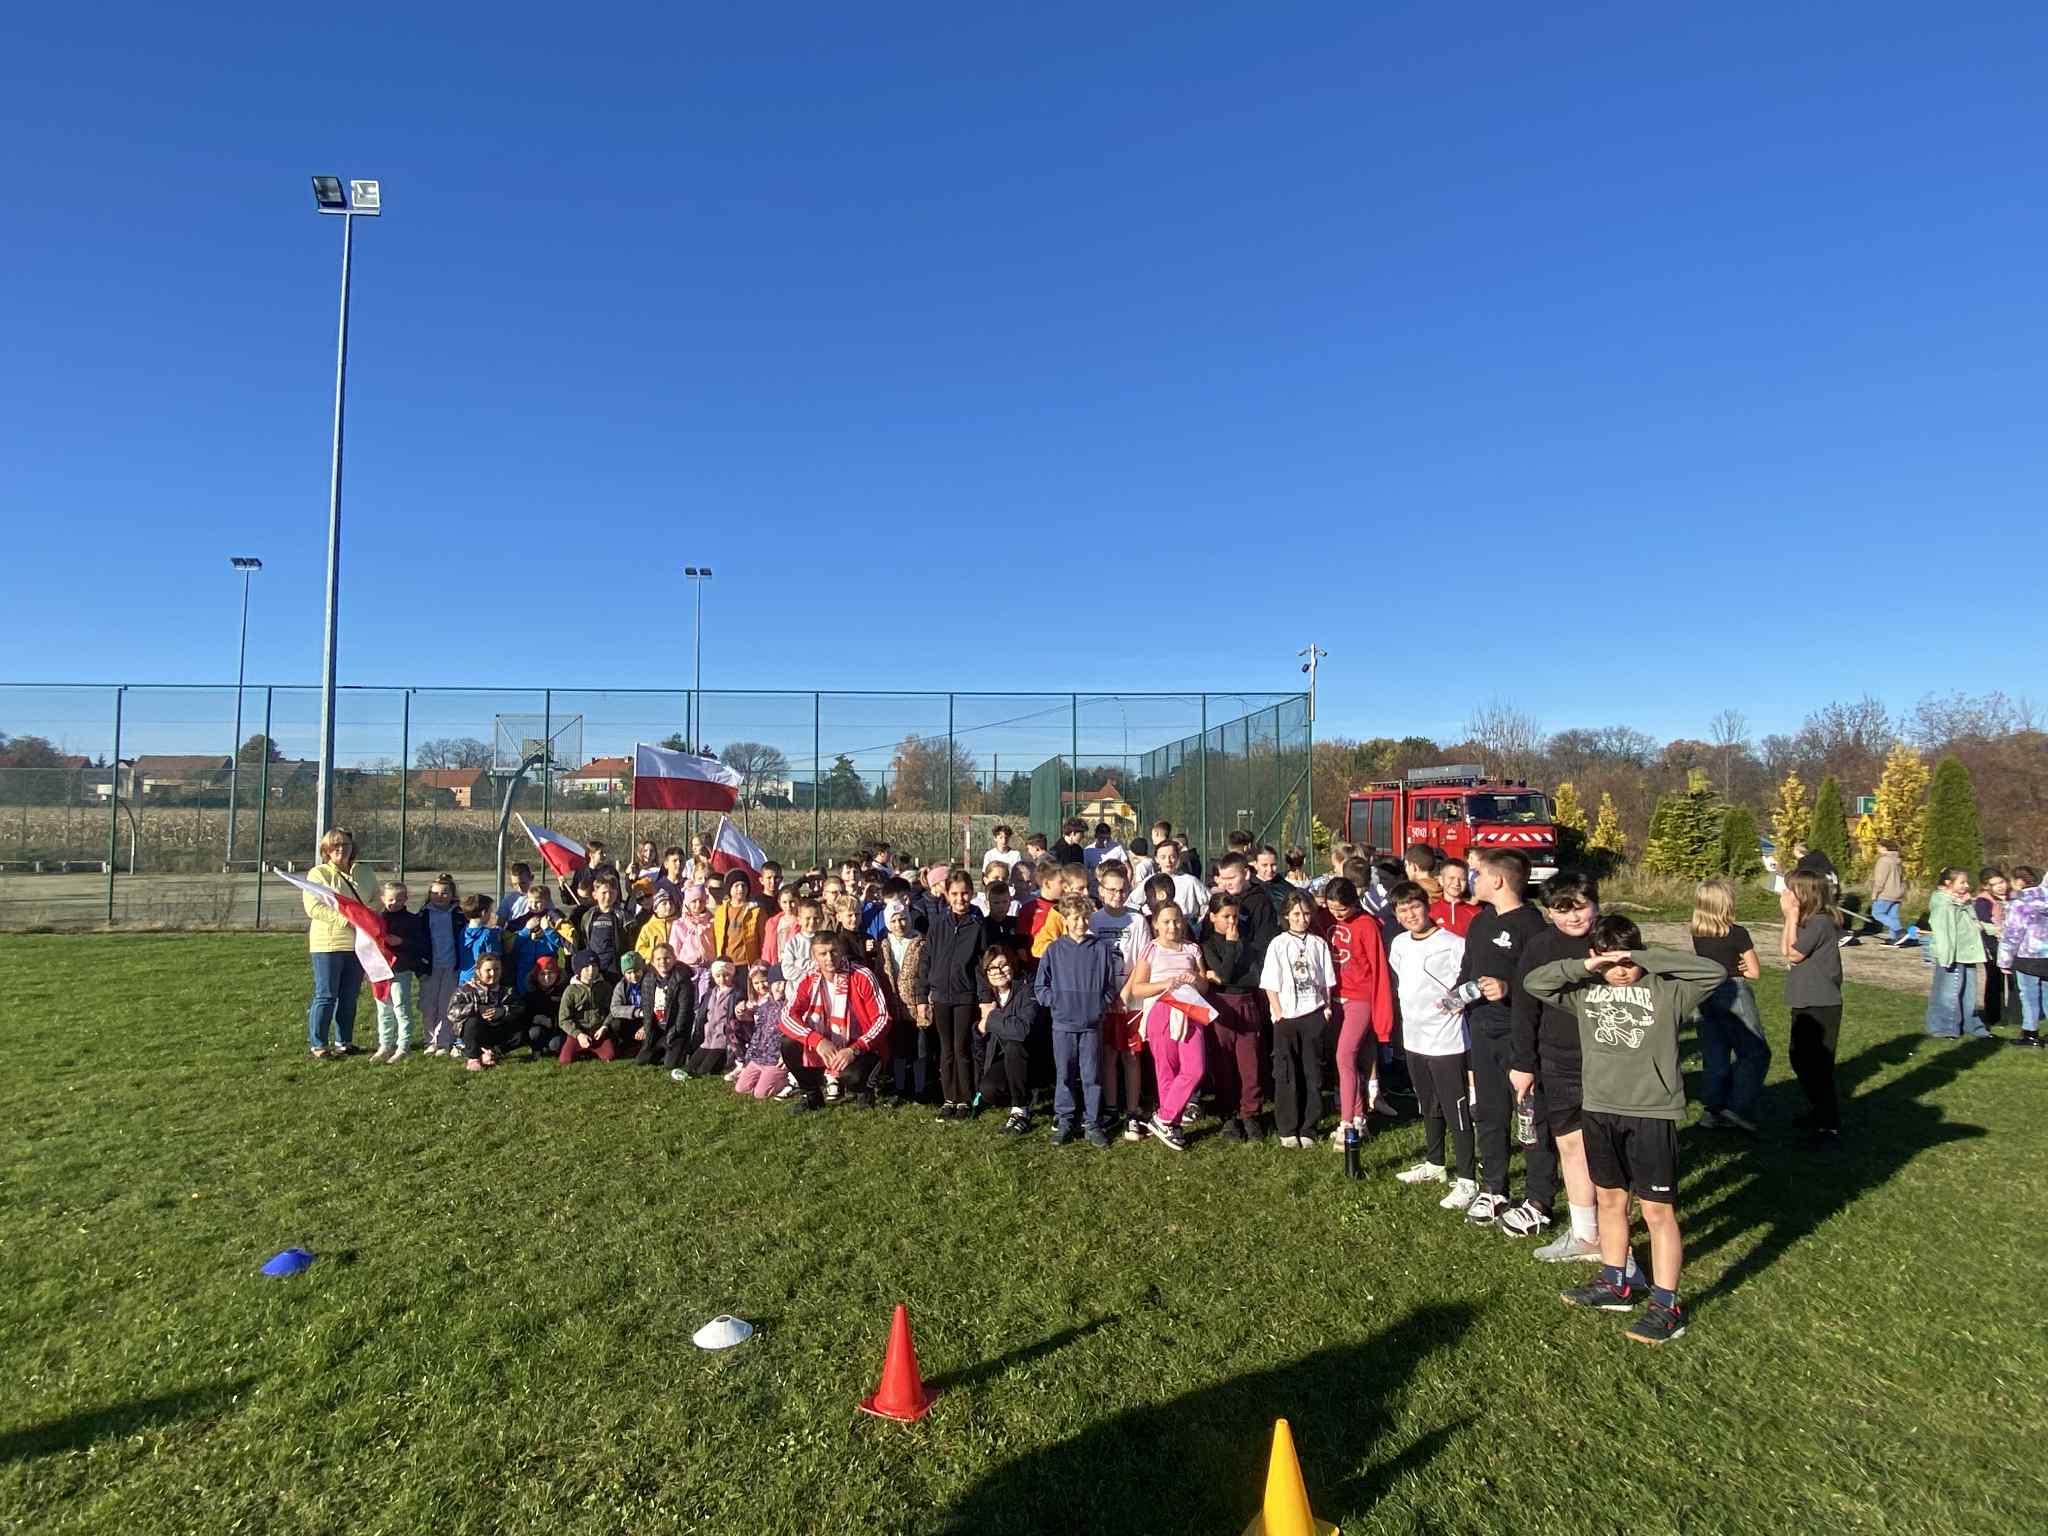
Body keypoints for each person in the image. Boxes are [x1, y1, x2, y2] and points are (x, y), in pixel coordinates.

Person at [1526, 916, 1726, 1346]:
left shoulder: (1669, 991)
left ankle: (1666, 1306)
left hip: (1651, 1114)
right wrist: (1586, 966)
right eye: (1610, 961)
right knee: (1610, 1200)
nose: (1620, 970)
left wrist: (1644, 958)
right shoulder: (1586, 992)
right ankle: (1615, 1282)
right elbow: (1535, 983)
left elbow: (1713, 972)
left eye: (1627, 960)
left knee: (1657, 1211)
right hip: (1600, 1110)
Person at [1508, 874, 1608, 1260]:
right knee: (1570, 1144)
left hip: (1610, 1059)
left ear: (1596, 902)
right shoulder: (1540, 946)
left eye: (1580, 907)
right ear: (1549, 912)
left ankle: (1617, 1236)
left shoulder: (1613, 938)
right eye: (1561, 910)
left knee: (1609, 1149)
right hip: (1558, 1058)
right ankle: (1585, 1234)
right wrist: (1523, 1062)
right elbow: (1524, 1007)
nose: (1573, 917)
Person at [1453, 849, 1548, 1226]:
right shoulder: (1480, 921)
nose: (1471, 880)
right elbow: (1468, 968)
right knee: (1490, 1113)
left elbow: (1541, 985)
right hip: (1482, 1030)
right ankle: (1494, 1188)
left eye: (1477, 874)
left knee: (1530, 1120)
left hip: (1519, 1035)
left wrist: (1508, 988)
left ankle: (1539, 1199)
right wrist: (1458, 996)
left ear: (1497, 880)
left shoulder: (1532, 926)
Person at [1386, 883, 1476, 1207]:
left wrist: (1457, 1001)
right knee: (1428, 1105)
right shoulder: (1399, 944)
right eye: (1403, 910)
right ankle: (1435, 1163)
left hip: (1446, 1041)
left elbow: (1474, 979)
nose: (1410, 915)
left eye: (1415, 907)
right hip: (1414, 1039)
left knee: (1456, 1110)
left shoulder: (1453, 944)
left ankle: (1467, 1180)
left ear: (1427, 907)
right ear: (1396, 915)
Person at [1035, 893, 1121, 1147]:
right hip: (1063, 1025)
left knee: (1092, 1076)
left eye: (1084, 918)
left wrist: (1099, 1005)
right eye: (1075, 918)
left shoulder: (1101, 949)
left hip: (1091, 1026)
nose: (1080, 923)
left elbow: (1109, 986)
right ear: (1065, 919)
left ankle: (1092, 1123)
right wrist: (1057, 1002)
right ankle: (1065, 1121)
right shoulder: (1054, 950)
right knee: (1065, 1075)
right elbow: (1040, 987)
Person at [1124, 900, 1206, 1151]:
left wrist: (1195, 979)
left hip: (1191, 1010)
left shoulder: (1192, 949)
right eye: (1167, 921)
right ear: (1155, 924)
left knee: (1195, 1067)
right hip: (1161, 1009)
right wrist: (1165, 984)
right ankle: (1173, 1123)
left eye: (1177, 921)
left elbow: (1204, 986)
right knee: (1166, 1070)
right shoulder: (1151, 949)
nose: (1173, 926)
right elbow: (1138, 988)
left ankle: (1163, 1117)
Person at [778, 932, 889, 1112]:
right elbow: (787, 1016)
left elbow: (883, 1019)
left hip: (859, 1047)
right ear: (814, 956)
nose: (829, 958)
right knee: (788, 1043)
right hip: (825, 1044)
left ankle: (865, 1089)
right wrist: (817, 1041)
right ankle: (812, 1096)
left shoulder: (862, 975)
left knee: (853, 1077)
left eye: (834, 951)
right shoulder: (808, 980)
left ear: (842, 950)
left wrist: (855, 1049)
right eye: (823, 954)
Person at [1262, 891, 1337, 1149]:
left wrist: (1326, 1008)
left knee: (1312, 1073)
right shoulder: (1278, 944)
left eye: (1305, 913)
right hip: (1287, 1017)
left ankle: (1309, 1126)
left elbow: (1326, 980)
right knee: (1286, 1073)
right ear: (1286, 915)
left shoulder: (1318, 943)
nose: (1301, 919)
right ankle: (1287, 1126)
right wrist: (1278, 1013)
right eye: (1296, 914)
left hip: (1313, 1014)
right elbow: (1270, 983)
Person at [1690, 877, 1766, 1131]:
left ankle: (1711, 1110)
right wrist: (1741, 967)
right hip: (1733, 991)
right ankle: (1736, 1106)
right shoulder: (1737, 933)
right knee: (1754, 1052)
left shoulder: (1697, 933)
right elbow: (1754, 972)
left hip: (1704, 994)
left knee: (1715, 1055)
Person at [915, 872, 991, 1122]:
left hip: (965, 996)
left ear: (972, 893)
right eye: (955, 894)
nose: (960, 899)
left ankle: (965, 1099)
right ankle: (949, 1098)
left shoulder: (977, 926)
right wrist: (922, 997)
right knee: (945, 1049)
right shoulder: (937, 925)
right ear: (947, 895)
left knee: (962, 1048)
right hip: (940, 996)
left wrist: (984, 999)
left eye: (965, 893)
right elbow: (926, 961)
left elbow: (982, 966)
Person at [1325, 877, 1394, 1143]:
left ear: (1354, 903)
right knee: (1346, 1061)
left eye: (1342, 909)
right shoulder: (1324, 918)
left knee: (1344, 1055)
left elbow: (1378, 969)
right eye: (1332, 908)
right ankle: (1358, 1117)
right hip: (1334, 997)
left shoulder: (1367, 925)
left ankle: (1346, 1122)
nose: (1337, 913)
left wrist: (1382, 1013)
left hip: (1359, 998)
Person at [1781, 870, 1845, 1142]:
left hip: (1821, 1003)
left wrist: (1791, 916)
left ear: (1805, 893)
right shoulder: (1807, 923)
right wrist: (1791, 919)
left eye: (1791, 890)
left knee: (1817, 1065)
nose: (1785, 894)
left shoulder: (1820, 922)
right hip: (1804, 999)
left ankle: (1829, 1124)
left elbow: (1794, 954)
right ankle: (1819, 1112)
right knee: (1799, 1057)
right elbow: (1786, 950)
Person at [1088, 863, 1151, 1138]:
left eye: (1122, 890)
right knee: (1109, 1054)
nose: (1117, 895)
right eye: (1111, 890)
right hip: (1104, 1001)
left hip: (1131, 1001)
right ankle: (1112, 1108)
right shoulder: (1094, 920)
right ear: (1101, 890)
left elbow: (1144, 961)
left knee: (1131, 1055)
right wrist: (1106, 993)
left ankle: (1133, 1111)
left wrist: (1125, 992)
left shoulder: (1137, 921)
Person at [1199, 893, 1266, 1141]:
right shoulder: (1208, 945)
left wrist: (1224, 976)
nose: (1231, 922)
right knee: (1224, 1063)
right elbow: (1225, 975)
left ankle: (1251, 1113)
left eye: (1235, 917)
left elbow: (1253, 977)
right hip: (1221, 1005)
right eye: (1226, 916)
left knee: (1250, 1064)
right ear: (1212, 917)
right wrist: (1229, 946)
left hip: (1246, 1003)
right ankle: (1228, 1113)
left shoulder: (1246, 942)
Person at [302, 827, 372, 1060]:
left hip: (359, 943)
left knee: (350, 995)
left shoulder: (364, 872)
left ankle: (344, 1041)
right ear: (326, 850)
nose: (341, 849)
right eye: (336, 845)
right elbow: (314, 907)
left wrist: (368, 918)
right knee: (326, 995)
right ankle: (319, 1044)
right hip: (328, 943)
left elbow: (376, 899)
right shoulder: (318, 874)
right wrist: (347, 920)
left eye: (345, 844)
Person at [972, 949, 1043, 1133]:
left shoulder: (1027, 990)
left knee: (1013, 1044)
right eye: (992, 968)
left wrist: (991, 1018)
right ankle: (1021, 1094)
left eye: (1003, 965)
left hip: (1031, 1057)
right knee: (988, 1090)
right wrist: (979, 1031)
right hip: (1002, 1059)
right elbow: (981, 1047)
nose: (998, 971)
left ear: (1012, 965)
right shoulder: (988, 997)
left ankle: (1020, 1109)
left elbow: (1022, 1030)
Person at [874, 897, 930, 1105]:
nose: (899, 924)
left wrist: (926, 1003)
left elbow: (925, 974)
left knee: (919, 1049)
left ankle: (920, 1088)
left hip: (915, 1006)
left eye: (903, 919)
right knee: (898, 1049)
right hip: (893, 1006)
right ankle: (899, 1087)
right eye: (894, 920)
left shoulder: (920, 943)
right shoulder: (884, 945)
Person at [1926, 866, 1991, 1040]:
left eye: (1966, 882)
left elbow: (1974, 922)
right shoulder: (1943, 903)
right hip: (1952, 955)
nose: (1966, 886)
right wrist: (1946, 956)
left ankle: (1971, 1024)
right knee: (1950, 993)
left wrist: (1994, 929)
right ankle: (1945, 1028)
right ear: (1948, 883)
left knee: (1969, 993)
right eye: (1962, 882)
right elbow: (1942, 930)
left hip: (1968, 952)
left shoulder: (1963, 901)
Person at [373, 879, 427, 1063]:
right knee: (383, 1010)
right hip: (379, 971)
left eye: (399, 899)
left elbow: (420, 944)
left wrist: (402, 942)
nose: (394, 903)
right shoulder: (376, 920)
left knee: (401, 1007)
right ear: (383, 899)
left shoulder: (412, 920)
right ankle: (385, 1044)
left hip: (400, 970)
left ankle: (404, 1045)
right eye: (390, 899)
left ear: (406, 899)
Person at [446, 952, 527, 1072]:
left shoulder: (507, 990)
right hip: (476, 1032)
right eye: (488, 970)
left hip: (497, 1029)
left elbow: (520, 1008)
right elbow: (452, 1012)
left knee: (523, 1031)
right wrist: (477, 1009)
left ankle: (492, 1053)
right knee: (472, 1022)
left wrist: (502, 1011)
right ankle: (473, 1058)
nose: (493, 973)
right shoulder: (465, 990)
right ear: (478, 972)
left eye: (496, 969)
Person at [1997, 866, 2047, 1048]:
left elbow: (2012, 934)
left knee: (2029, 995)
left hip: (2028, 955)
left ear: (2019, 882)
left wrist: (2004, 960)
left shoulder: (2020, 902)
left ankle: (2030, 1033)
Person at [420, 873, 464, 1058]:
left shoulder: (459, 915)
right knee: (428, 1005)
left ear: (452, 895)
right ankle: (430, 1041)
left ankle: (445, 1040)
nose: (440, 896)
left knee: (447, 1004)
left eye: (445, 893)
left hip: (451, 966)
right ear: (429, 894)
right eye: (435, 893)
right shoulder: (423, 915)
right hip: (430, 967)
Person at [632, 943, 694, 1068]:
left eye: (667, 958)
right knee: (642, 1060)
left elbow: (684, 1011)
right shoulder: (648, 979)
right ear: (652, 962)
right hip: (658, 1029)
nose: (663, 962)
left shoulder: (683, 979)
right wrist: (648, 1031)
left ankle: (679, 1049)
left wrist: (673, 1033)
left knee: (670, 1064)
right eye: (658, 959)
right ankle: (662, 1048)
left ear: (674, 959)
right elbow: (647, 1009)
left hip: (676, 1030)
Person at [732, 966, 790, 1100]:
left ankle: (787, 1081)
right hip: (759, 1057)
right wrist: (740, 1011)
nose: (781, 988)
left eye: (785, 984)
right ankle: (763, 1078)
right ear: (771, 984)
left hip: (776, 1059)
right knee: (741, 1088)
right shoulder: (765, 1006)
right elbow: (756, 1028)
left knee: (760, 1094)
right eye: (777, 983)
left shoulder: (789, 1006)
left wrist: (786, 1055)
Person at [679, 957, 740, 1078]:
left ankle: (722, 1063)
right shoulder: (710, 993)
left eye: (726, 975)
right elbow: (703, 1015)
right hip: (708, 1039)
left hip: (722, 1041)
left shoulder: (736, 994)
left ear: (732, 974)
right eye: (718, 976)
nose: (722, 979)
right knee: (690, 1067)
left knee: (704, 1071)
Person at [558, 950, 621, 1063]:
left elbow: (613, 1010)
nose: (591, 970)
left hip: (598, 1032)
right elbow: (563, 1019)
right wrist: (578, 1034)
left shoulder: (605, 986)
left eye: (594, 966)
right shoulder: (570, 990)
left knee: (609, 1056)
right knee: (565, 1060)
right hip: (578, 1031)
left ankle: (591, 1049)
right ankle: (583, 1047)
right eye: (586, 967)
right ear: (579, 969)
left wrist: (604, 1026)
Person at [1975, 868, 2019, 1029]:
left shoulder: (2013, 896)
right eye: (1994, 884)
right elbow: (1984, 923)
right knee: (1995, 980)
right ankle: (1994, 1015)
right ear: (1986, 886)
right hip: (1993, 945)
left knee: (2015, 980)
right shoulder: (1983, 901)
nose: (2000, 886)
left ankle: (2016, 1015)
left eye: (2001, 882)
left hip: (2014, 944)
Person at [710, 871, 764, 966]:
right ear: (729, 889)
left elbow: (763, 939)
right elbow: (717, 939)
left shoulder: (756, 911)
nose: (740, 889)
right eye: (736, 886)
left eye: (743, 885)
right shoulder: (721, 911)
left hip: (747, 963)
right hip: (725, 963)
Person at [1154, 838, 1210, 924]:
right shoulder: (1150, 882)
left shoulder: (1190, 881)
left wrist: (1198, 923)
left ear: (1178, 858)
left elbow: (1209, 902)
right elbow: (1134, 903)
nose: (1168, 861)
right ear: (1156, 859)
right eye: (1163, 857)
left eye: (1172, 857)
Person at [1869, 838, 1907, 944]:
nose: (1877, 849)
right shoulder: (1898, 860)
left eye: (1879, 847)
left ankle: (1900, 931)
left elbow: (1880, 880)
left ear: (1884, 848)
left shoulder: (1884, 860)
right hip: (1898, 892)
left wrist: (1875, 894)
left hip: (1886, 893)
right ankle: (1895, 938)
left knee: (1877, 913)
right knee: (1892, 916)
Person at [1430, 859, 1481, 937]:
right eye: (1451, 878)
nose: (1457, 883)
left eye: (1462, 879)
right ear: (1441, 880)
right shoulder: (1429, 911)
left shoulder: (1476, 913)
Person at [634, 887, 677, 966]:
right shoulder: (648, 927)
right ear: (656, 908)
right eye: (664, 904)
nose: (668, 906)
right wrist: (655, 953)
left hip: (675, 964)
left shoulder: (679, 924)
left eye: (671, 903)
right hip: (654, 965)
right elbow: (639, 949)